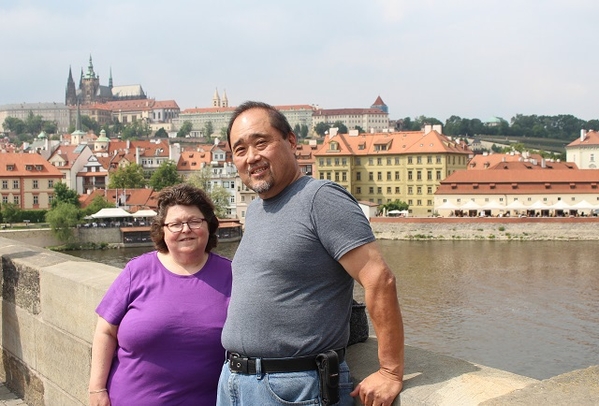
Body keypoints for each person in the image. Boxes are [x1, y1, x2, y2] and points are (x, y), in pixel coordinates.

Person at [217, 101, 404, 406]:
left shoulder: (320, 198)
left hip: (294, 388)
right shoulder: (255, 210)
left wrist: (390, 372)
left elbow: (380, 279)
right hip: (236, 383)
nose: (251, 157)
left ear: (291, 142)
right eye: (240, 150)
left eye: (261, 142)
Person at [89, 184, 232, 406]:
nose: (185, 229)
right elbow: (105, 331)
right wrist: (96, 390)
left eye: (194, 221)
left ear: (209, 225)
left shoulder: (231, 276)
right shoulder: (137, 271)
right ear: (162, 230)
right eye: (175, 224)